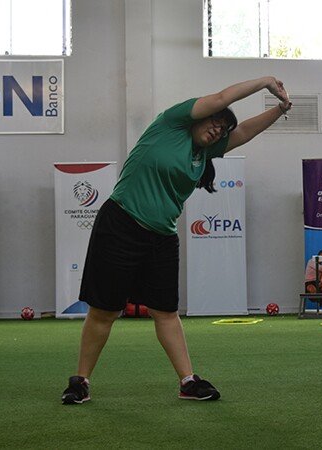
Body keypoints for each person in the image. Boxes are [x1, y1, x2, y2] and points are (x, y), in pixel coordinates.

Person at [62, 77, 291, 404]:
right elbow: (223, 96)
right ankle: (80, 381)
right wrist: (266, 82)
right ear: (198, 116)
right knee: (104, 310)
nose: (218, 130)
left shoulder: (205, 152)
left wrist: (280, 109)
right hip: (121, 224)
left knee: (166, 311)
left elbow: (245, 132)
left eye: (222, 129)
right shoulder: (170, 124)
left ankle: (187, 381)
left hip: (162, 236)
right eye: (215, 121)